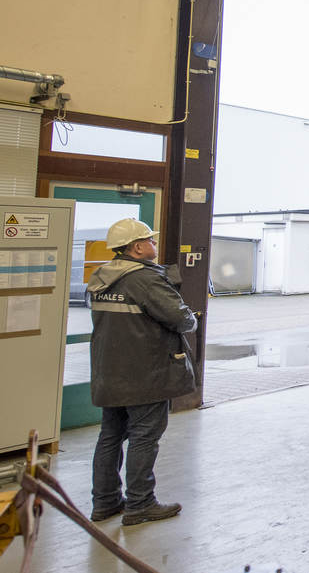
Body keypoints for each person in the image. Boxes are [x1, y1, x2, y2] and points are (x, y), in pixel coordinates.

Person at [87, 218, 197, 526]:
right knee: (144, 437)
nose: (154, 244)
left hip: (109, 372)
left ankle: (105, 502)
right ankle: (140, 504)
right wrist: (191, 318)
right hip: (144, 374)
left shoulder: (101, 277)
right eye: (149, 240)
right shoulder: (145, 280)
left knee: (110, 436)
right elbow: (181, 319)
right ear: (136, 248)